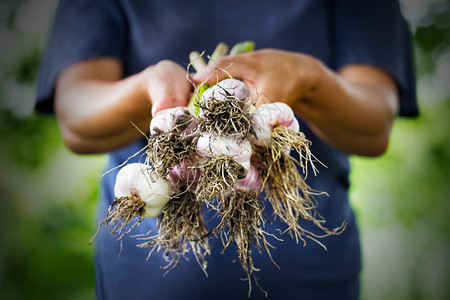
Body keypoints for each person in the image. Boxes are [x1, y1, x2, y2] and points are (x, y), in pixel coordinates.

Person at [35, 0, 418, 299]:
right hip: (142, 282)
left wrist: (310, 78)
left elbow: (374, 125)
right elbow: (75, 119)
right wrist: (147, 88)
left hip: (313, 279)